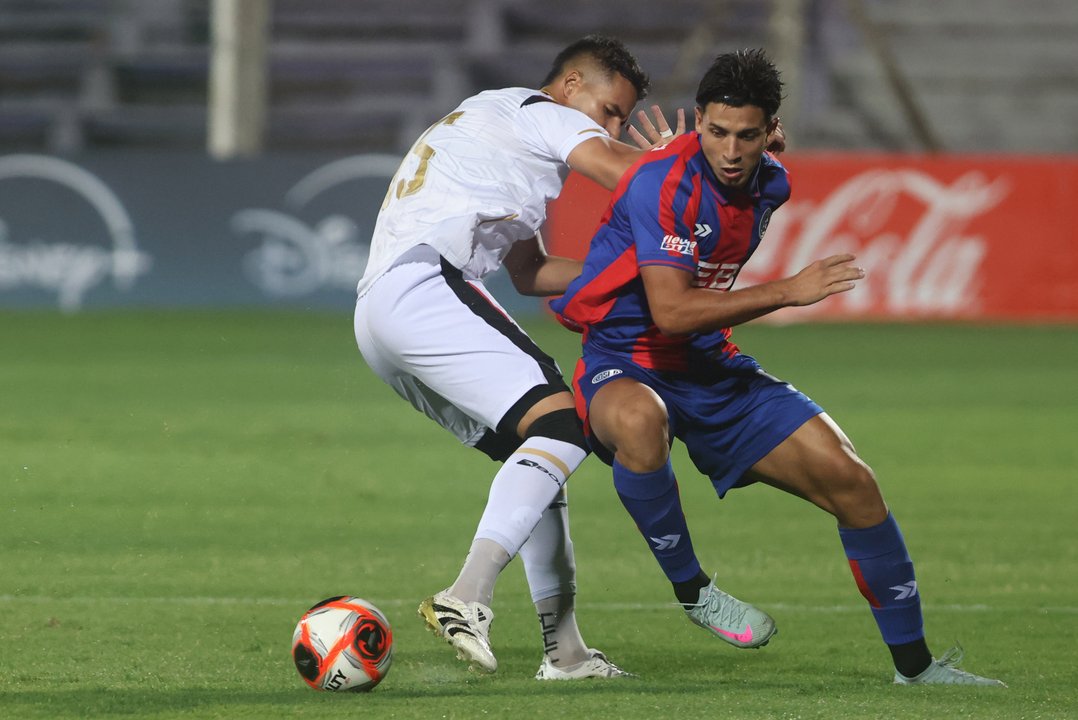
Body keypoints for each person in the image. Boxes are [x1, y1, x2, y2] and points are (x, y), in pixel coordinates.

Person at [550, 48, 1005, 686]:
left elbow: (726, 219)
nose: (730, 151)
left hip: (709, 364)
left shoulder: (771, 182)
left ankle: (918, 669)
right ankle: (694, 592)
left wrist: (740, 152)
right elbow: (672, 312)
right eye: (716, 132)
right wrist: (788, 291)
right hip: (625, 359)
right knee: (639, 421)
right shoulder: (661, 182)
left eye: (747, 135)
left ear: (770, 132)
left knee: (853, 482)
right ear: (698, 121)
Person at [353, 35, 688, 680]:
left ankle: (565, 653)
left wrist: (625, 271)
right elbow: (624, 171)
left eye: (620, 119)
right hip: (426, 285)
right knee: (566, 424)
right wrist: (683, 162)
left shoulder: (502, 135)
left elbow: (532, 273)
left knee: (538, 455)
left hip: (381, 314)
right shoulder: (541, 112)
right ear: (571, 86)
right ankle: (467, 594)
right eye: (609, 110)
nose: (612, 127)